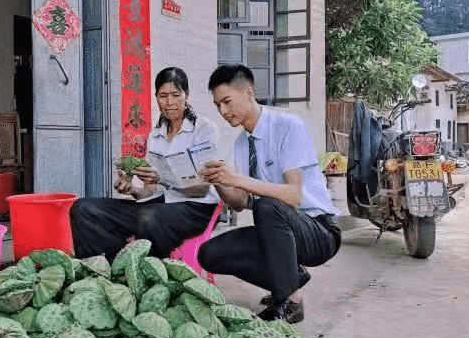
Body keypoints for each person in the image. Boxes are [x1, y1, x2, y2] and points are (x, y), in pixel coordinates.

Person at [199, 64, 341, 324]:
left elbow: (294, 196)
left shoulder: (288, 126)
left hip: (318, 233)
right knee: (209, 253)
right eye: (217, 105)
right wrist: (219, 181)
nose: (223, 111)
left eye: (227, 101)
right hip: (277, 233)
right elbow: (240, 203)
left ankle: (290, 302)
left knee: (267, 206)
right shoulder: (242, 143)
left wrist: (237, 177)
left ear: (249, 92)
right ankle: (290, 278)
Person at [70, 67, 219, 262]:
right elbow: (150, 192)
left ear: (187, 95)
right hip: (160, 206)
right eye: (163, 95)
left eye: (176, 94)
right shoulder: (155, 134)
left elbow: (202, 188)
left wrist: (163, 178)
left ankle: (149, 274)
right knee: (83, 209)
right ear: (156, 97)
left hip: (196, 208)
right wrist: (132, 189)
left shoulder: (202, 128)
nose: (170, 102)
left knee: (148, 217)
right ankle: (109, 270)